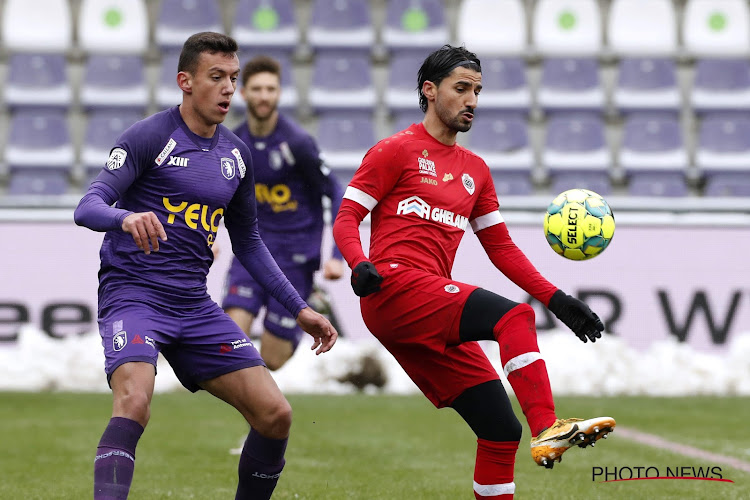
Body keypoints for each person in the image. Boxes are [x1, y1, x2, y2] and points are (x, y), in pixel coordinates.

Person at [332, 44, 615, 499]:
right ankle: (548, 426)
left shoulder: (476, 171)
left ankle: (534, 431)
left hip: (424, 303)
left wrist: (557, 299)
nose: (472, 101)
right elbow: (346, 217)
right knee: (513, 319)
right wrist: (358, 262)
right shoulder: (394, 151)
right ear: (430, 90)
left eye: (478, 91)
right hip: (393, 287)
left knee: (500, 429)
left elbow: (500, 247)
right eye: (461, 89)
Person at [74, 32, 337, 500]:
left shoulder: (236, 155)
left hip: (193, 305)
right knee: (135, 402)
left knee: (276, 414)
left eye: (233, 78)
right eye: (217, 77)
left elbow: (250, 243)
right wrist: (125, 216)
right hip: (133, 294)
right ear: (186, 81)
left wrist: (300, 309)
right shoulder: (148, 136)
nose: (229, 89)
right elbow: (88, 205)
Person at [222, 55, 345, 371]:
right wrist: (202, 235)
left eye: (271, 89)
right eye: (257, 89)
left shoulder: (297, 143)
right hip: (252, 254)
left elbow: (336, 191)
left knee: (273, 360)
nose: (264, 96)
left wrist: (336, 255)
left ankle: (312, 296)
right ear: (243, 92)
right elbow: (215, 194)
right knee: (230, 344)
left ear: (279, 93)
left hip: (294, 258)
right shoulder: (234, 144)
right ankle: (258, 413)